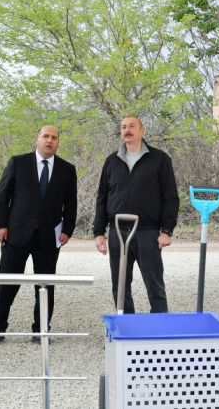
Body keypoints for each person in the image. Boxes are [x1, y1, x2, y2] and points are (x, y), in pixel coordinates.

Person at [0, 126, 77, 345]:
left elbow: (71, 203)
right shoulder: (18, 162)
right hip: (16, 233)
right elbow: (2, 196)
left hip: (49, 236)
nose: (49, 141)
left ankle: (41, 331)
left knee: (45, 286)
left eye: (54, 138)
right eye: (45, 137)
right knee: (6, 282)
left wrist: (67, 230)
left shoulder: (67, 169)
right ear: (36, 139)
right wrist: (1, 225)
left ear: (58, 143)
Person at [94, 116, 179, 314]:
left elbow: (171, 197)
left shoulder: (159, 159)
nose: (127, 130)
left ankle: (159, 327)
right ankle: (127, 326)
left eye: (132, 126)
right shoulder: (112, 161)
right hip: (117, 231)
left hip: (147, 232)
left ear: (142, 130)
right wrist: (99, 232)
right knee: (120, 285)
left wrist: (166, 230)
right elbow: (102, 198)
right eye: (124, 127)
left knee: (154, 284)